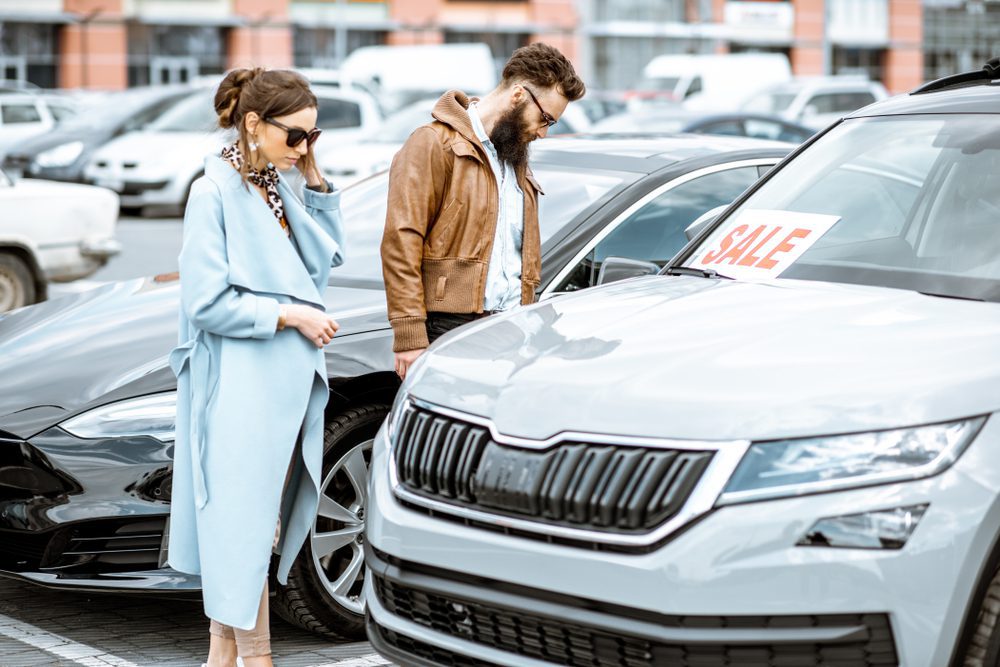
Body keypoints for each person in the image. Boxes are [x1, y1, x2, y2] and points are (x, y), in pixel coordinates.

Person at [166, 67, 345, 667]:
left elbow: (318, 270)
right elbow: (206, 302)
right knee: (241, 527)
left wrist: (315, 181)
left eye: (312, 137)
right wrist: (289, 317)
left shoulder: (277, 182)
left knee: (256, 526)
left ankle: (223, 655)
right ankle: (256, 658)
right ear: (252, 124)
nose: (303, 148)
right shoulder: (212, 190)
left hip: (283, 385)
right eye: (296, 136)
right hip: (240, 384)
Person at [380, 42, 585, 379]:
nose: (544, 132)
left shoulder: (513, 156)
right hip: (449, 326)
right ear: (519, 94)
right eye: (545, 118)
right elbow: (401, 241)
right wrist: (409, 335)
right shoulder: (434, 143)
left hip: (513, 328)